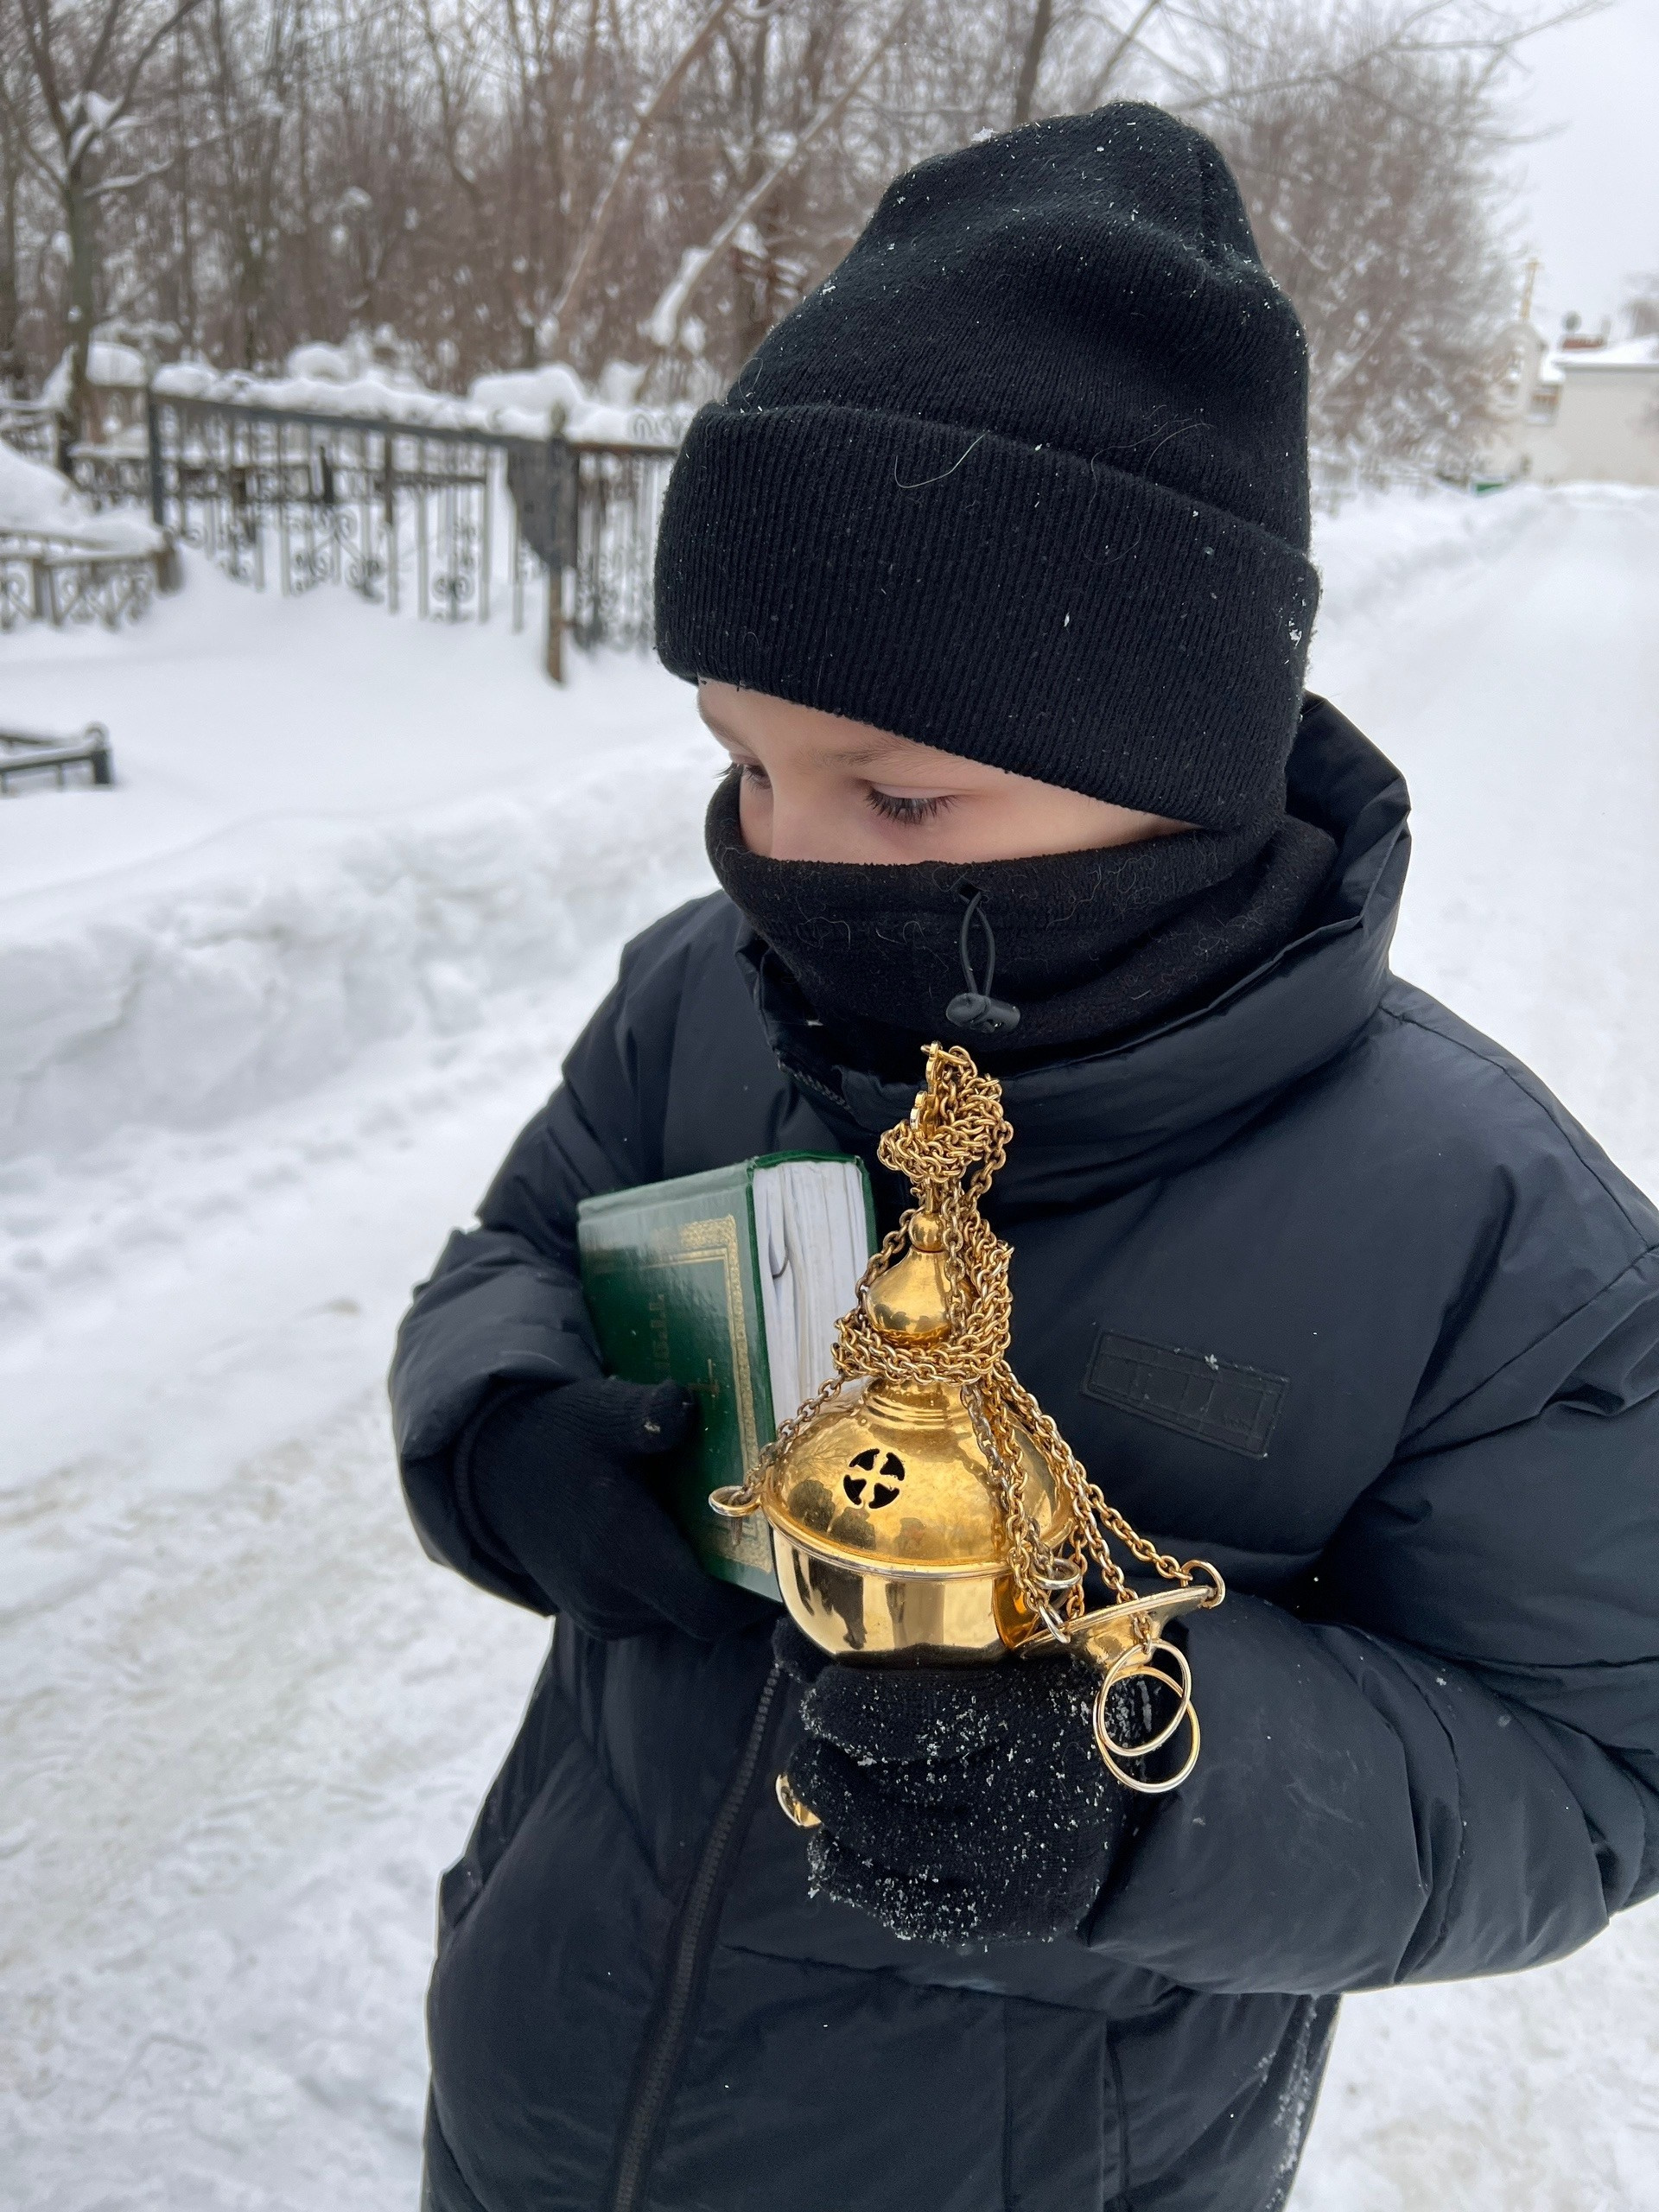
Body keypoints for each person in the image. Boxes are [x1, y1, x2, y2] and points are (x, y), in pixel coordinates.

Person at [391, 102, 1659, 2212]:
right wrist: (502, 1425)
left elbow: (1588, 1764)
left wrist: (1150, 1779)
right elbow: (513, 1246)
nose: (784, 857)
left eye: (894, 799)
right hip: (547, 2095)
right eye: (744, 763)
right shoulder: (706, 996)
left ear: (1168, 760)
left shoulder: (1480, 1230)